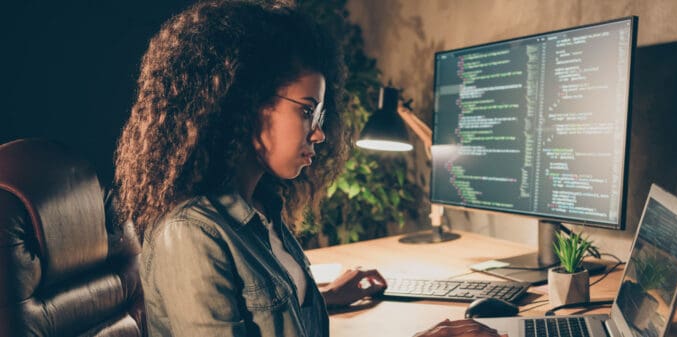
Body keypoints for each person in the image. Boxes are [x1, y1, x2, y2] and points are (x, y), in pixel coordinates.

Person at [114, 1, 505, 337]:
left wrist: (319, 297)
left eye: (319, 113)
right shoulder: (190, 235)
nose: (319, 133)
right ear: (244, 104)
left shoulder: (262, 213)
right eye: (306, 111)